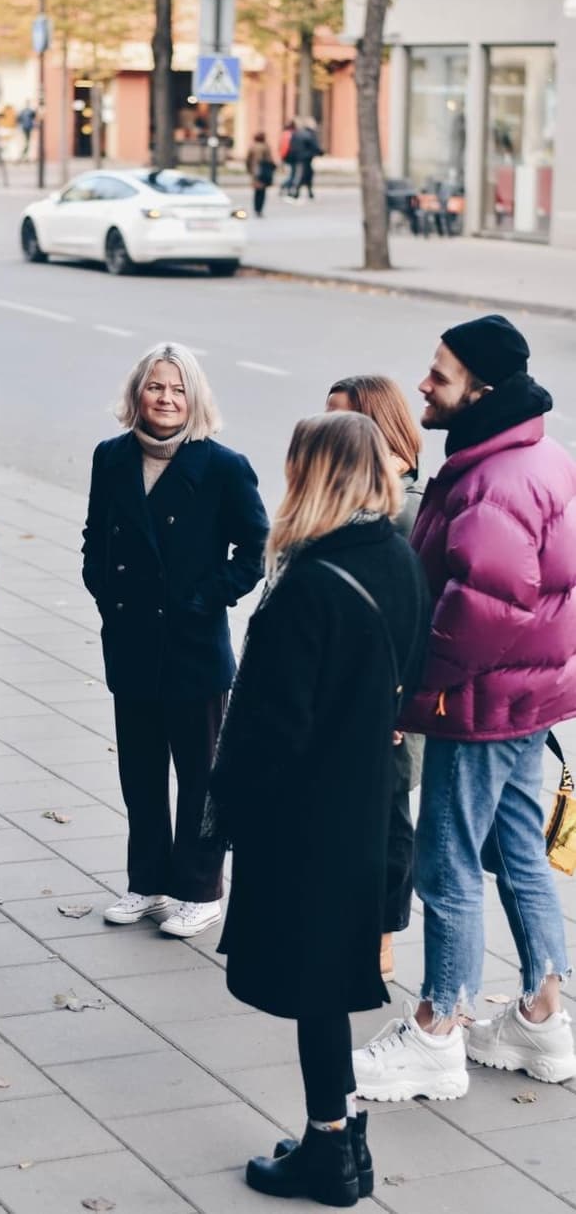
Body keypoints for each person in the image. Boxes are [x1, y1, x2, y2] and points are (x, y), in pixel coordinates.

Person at [205, 411, 431, 1206]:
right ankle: (339, 1137)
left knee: (314, 986)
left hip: (306, 816)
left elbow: (275, 723)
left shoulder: (308, 583)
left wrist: (231, 811)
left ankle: (330, 1151)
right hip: (366, 798)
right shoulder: (398, 558)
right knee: (331, 978)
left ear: (315, 476)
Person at [353, 314, 576, 1103]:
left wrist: (412, 698)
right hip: (530, 694)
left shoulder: (493, 480)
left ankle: (438, 1028)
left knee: (449, 861)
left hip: (480, 700)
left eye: (439, 374)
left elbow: (481, 612)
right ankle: (544, 1016)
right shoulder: (536, 453)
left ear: (481, 389)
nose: (423, 383)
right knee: (516, 850)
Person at [81, 342, 269, 938]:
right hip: (131, 640)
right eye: (156, 386)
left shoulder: (221, 466)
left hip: (193, 645)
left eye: (178, 389)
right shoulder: (110, 457)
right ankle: (148, 883)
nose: (166, 398)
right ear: (138, 392)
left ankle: (200, 889)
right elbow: (94, 537)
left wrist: (204, 597)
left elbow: (256, 549)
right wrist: (102, 590)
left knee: (199, 775)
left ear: (196, 398)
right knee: (139, 772)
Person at [326, 376, 424, 982]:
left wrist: (396, 706)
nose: (328, 426)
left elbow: (416, 616)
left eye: (341, 417)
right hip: (348, 692)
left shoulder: (406, 509)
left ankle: (382, 938)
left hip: (389, 699)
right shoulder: (347, 496)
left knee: (388, 814)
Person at [245, 131, 276, 218]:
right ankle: (259, 209)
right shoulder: (266, 147)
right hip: (263, 172)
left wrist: (249, 170)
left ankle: (256, 208)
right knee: (262, 192)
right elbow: (269, 160)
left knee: (257, 192)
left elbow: (247, 160)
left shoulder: (252, 147)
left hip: (255, 172)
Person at [294, 118, 323, 200]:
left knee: (304, 174)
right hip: (307, 157)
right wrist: (320, 152)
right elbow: (314, 145)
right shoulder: (310, 134)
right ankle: (302, 192)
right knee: (306, 175)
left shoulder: (299, 133)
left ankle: (306, 192)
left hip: (300, 157)